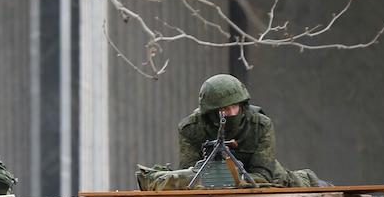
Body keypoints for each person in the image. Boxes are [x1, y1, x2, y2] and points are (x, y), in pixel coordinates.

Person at [137, 74, 326, 190]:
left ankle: (314, 181)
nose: (231, 113)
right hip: (212, 175)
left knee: (287, 180)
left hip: (255, 171)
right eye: (224, 109)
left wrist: (232, 179)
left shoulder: (260, 124)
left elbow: (264, 175)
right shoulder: (191, 129)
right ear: (211, 112)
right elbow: (193, 174)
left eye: (235, 106)